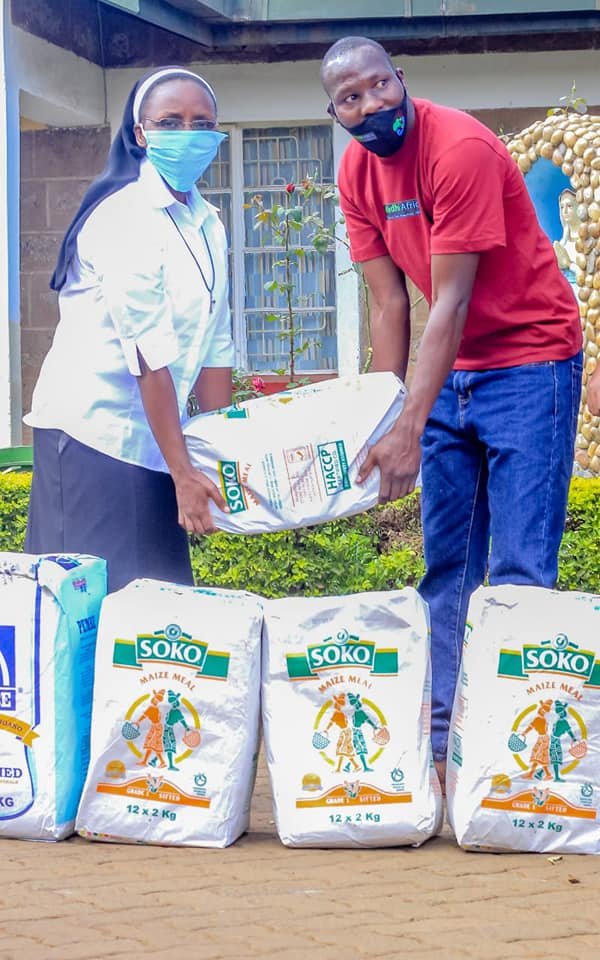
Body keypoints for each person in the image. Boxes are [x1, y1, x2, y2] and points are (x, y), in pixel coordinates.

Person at [320, 37, 583, 787]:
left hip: (530, 361)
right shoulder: (356, 172)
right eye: (350, 98)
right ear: (335, 112)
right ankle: (440, 748)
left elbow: (454, 300)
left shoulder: (457, 148)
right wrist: (384, 419)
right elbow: (388, 304)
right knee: (449, 568)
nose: (371, 105)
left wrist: (412, 425)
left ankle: (513, 753)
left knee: (518, 572)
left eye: (379, 86)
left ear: (401, 79)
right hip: (451, 368)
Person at [24, 67, 234, 592]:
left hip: (157, 440)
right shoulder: (123, 216)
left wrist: (220, 456)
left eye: (202, 123)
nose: (188, 134)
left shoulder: (208, 222)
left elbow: (215, 347)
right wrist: (183, 472)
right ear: (140, 133)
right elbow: (149, 356)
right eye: (171, 122)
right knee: (91, 603)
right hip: (95, 437)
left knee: (159, 602)